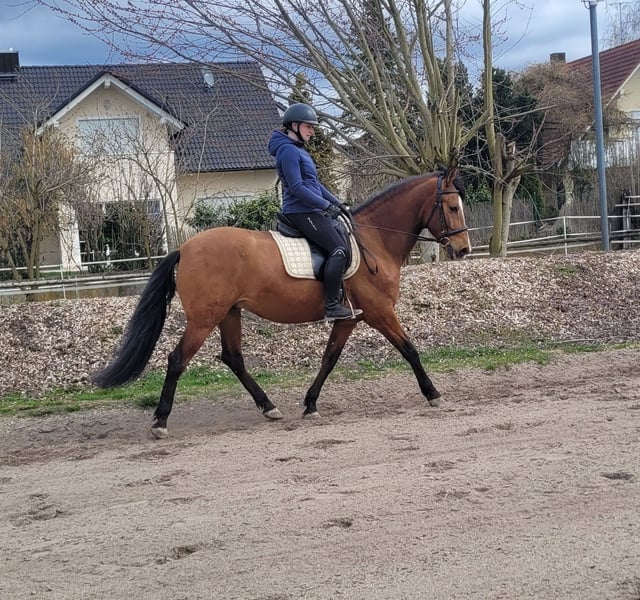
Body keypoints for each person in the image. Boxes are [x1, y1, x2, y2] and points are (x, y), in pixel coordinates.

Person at [268, 103, 362, 321]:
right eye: (308, 127)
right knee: (338, 250)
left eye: (313, 127)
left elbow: (315, 184)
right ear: (294, 126)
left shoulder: (299, 150)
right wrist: (325, 206)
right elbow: (297, 187)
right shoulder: (288, 151)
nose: (312, 132)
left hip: (310, 208)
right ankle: (332, 306)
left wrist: (338, 204)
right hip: (300, 211)